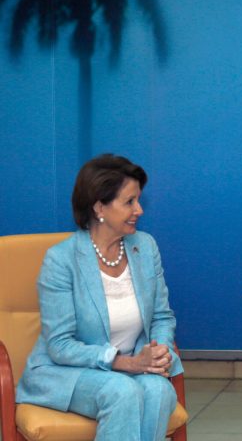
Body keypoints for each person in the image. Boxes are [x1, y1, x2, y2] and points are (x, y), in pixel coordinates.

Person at [16, 154, 183, 441]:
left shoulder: (145, 247)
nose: (139, 210)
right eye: (129, 202)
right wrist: (126, 363)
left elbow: (161, 316)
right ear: (99, 207)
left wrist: (158, 353)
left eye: (138, 200)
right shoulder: (61, 260)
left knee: (158, 390)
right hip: (67, 372)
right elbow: (60, 345)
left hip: (133, 368)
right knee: (120, 391)